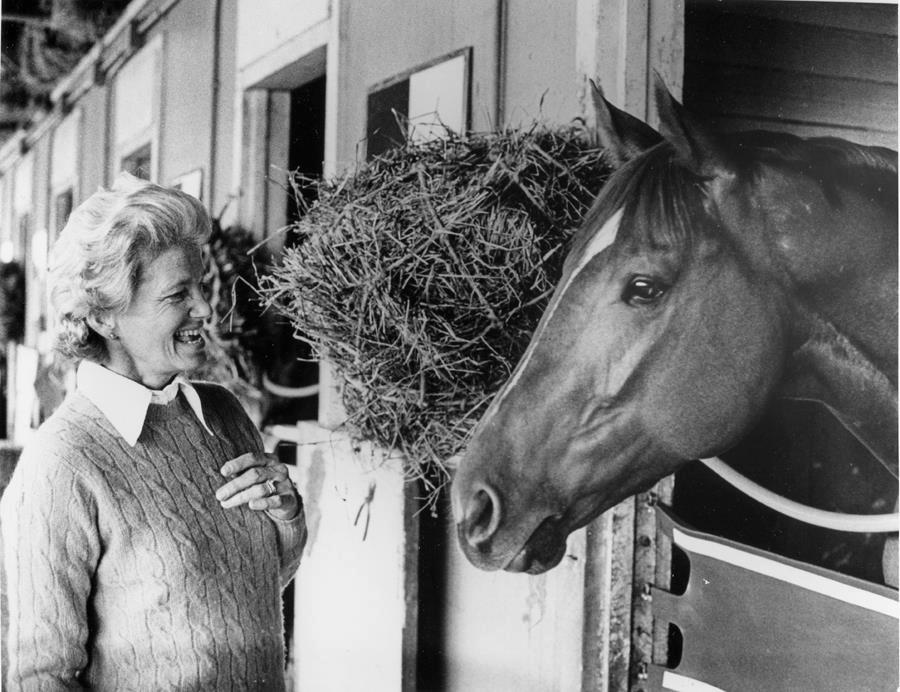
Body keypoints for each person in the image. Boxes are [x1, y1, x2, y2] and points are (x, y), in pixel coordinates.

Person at [1, 172, 307, 690]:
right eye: (178, 295)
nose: (206, 309)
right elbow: (42, 676)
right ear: (105, 317)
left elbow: (248, 587)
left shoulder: (225, 414)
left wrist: (288, 515)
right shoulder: (63, 460)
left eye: (201, 288)